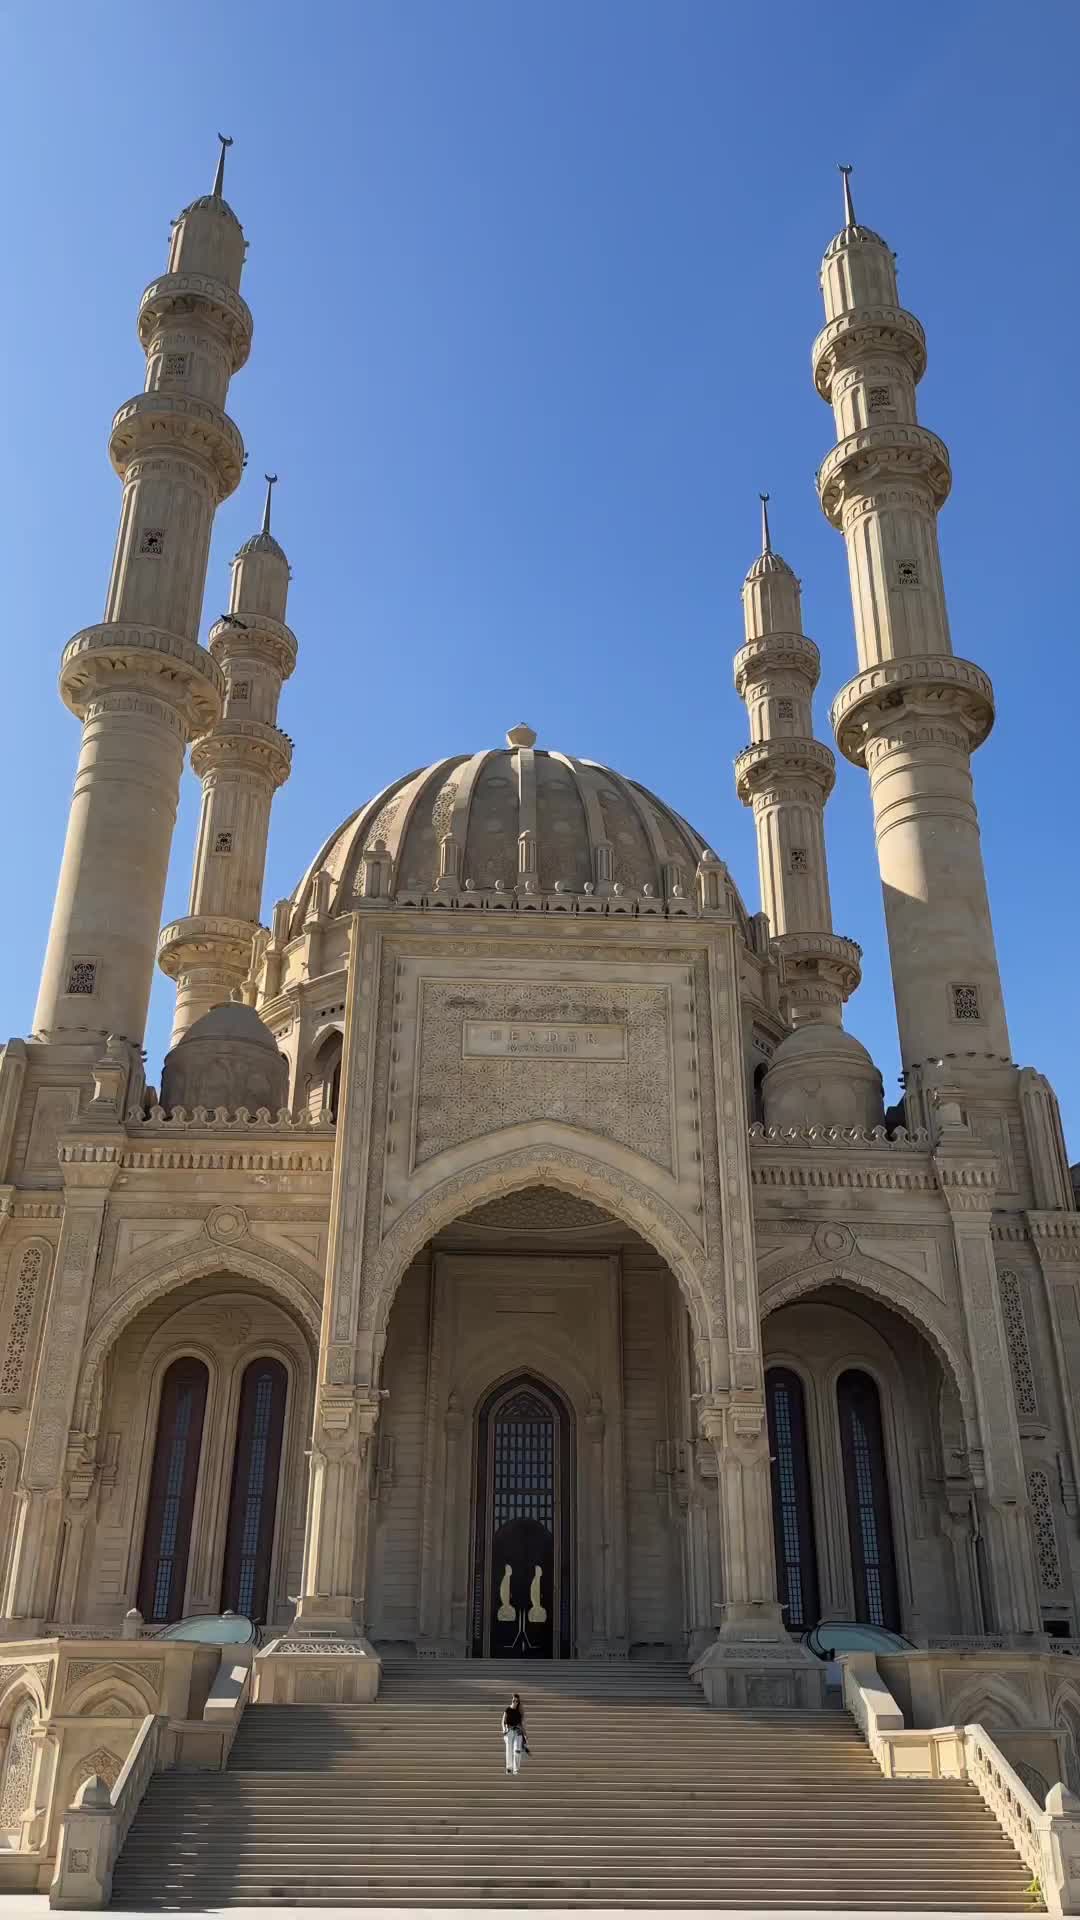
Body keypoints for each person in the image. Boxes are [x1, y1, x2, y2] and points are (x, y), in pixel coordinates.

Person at [502, 1692, 526, 1775]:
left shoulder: (519, 1712)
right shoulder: (507, 1709)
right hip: (509, 1731)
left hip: (518, 1732)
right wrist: (504, 1729)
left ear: (518, 1702)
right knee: (509, 1749)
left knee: (517, 1750)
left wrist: (525, 1735)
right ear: (511, 1700)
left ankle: (516, 1769)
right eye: (513, 1700)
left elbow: (521, 1725)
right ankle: (509, 1768)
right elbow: (503, 1721)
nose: (514, 1702)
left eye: (516, 1701)